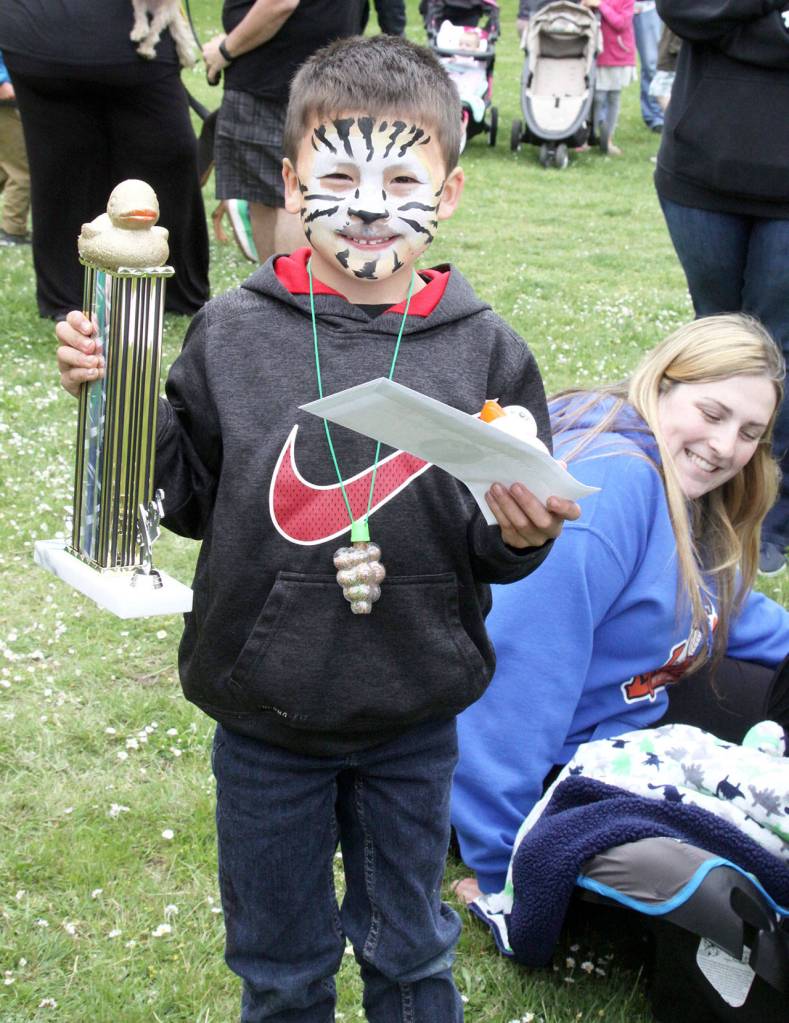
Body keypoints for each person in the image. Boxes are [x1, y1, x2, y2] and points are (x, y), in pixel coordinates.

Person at [55, 34, 579, 1021]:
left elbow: (498, 543)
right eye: (338, 174)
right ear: (290, 186)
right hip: (266, 715)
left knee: (412, 956)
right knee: (282, 968)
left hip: (414, 716)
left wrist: (519, 533)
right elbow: (187, 501)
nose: (372, 205)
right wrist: (112, 390)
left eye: (402, 178)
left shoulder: (488, 354)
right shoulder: (233, 331)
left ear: (450, 192)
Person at [451, 315, 789, 898]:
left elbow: (721, 605)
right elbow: (514, 688)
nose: (726, 447)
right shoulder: (611, 494)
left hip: (628, 717)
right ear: (661, 384)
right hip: (543, 771)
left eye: (750, 431)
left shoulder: (685, 485)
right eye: (712, 414)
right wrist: (505, 867)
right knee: (711, 876)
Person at [654, 0, 789, 576]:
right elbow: (686, 13)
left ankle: (767, 519)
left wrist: (732, 28)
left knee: (777, 356)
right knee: (713, 351)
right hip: (701, 175)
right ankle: (691, 504)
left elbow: (714, 20)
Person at [0, 0, 209, 319]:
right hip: (103, 39)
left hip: (42, 35)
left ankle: (72, 295)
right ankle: (165, 291)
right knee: (158, 162)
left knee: (63, 168)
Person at [202, 0, 364, 265]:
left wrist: (225, 50)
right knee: (275, 192)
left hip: (276, 75)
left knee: (294, 194)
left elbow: (279, 3)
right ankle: (279, 299)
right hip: (317, 72)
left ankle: (292, 299)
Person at [582, 0, 637, 156]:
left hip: (619, 54)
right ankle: (587, 136)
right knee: (596, 96)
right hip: (598, 53)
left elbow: (621, 23)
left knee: (613, 96)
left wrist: (601, 6)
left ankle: (608, 139)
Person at [0, 49, 30, 246]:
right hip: (9, 100)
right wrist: (3, 80)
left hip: (9, 100)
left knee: (4, 167)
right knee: (23, 170)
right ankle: (12, 230)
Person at [632, 1, 664, 132]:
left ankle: (655, 116)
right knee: (605, 64)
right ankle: (601, 119)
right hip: (612, 5)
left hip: (645, 7)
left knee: (651, 64)